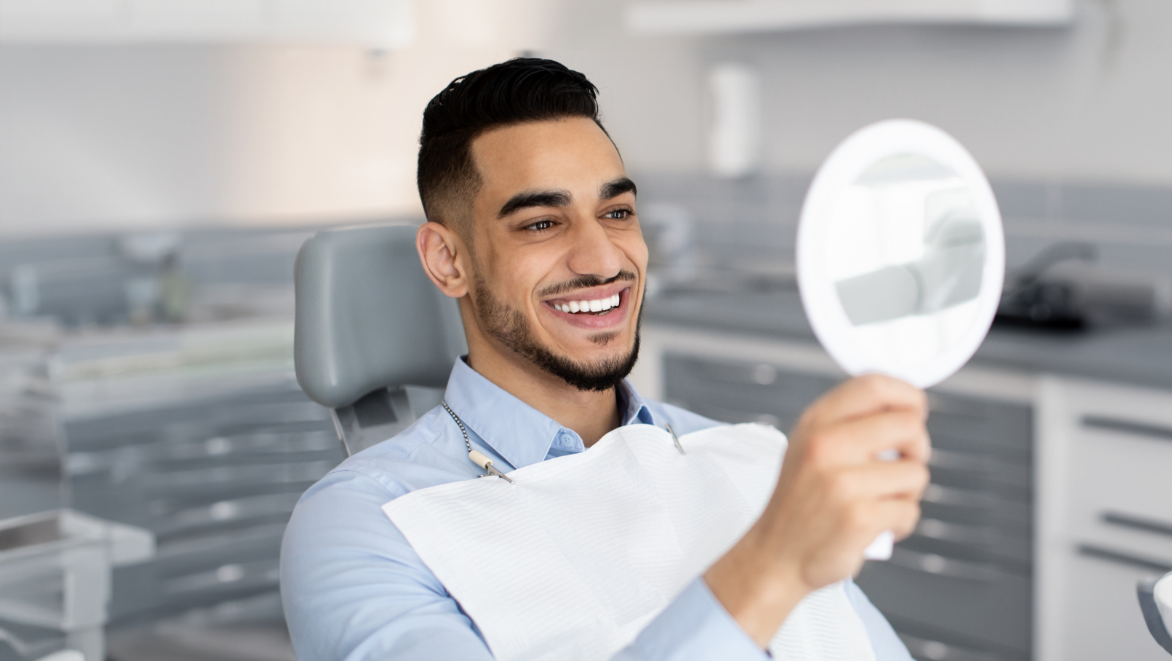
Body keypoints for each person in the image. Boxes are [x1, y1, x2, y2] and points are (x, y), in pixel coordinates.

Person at [280, 57, 931, 660]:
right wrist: (770, 564)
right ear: (448, 260)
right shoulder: (364, 526)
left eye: (616, 211)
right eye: (541, 222)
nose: (602, 260)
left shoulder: (748, 459)